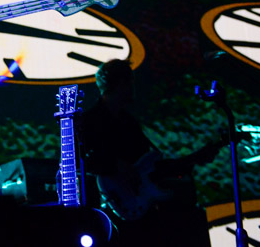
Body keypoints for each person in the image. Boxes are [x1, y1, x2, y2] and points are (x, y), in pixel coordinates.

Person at [80, 59, 216, 247]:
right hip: (104, 209)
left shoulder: (130, 123)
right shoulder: (90, 121)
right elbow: (84, 162)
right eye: (130, 81)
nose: (133, 87)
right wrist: (115, 165)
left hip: (138, 210)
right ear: (121, 83)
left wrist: (193, 159)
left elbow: (148, 166)